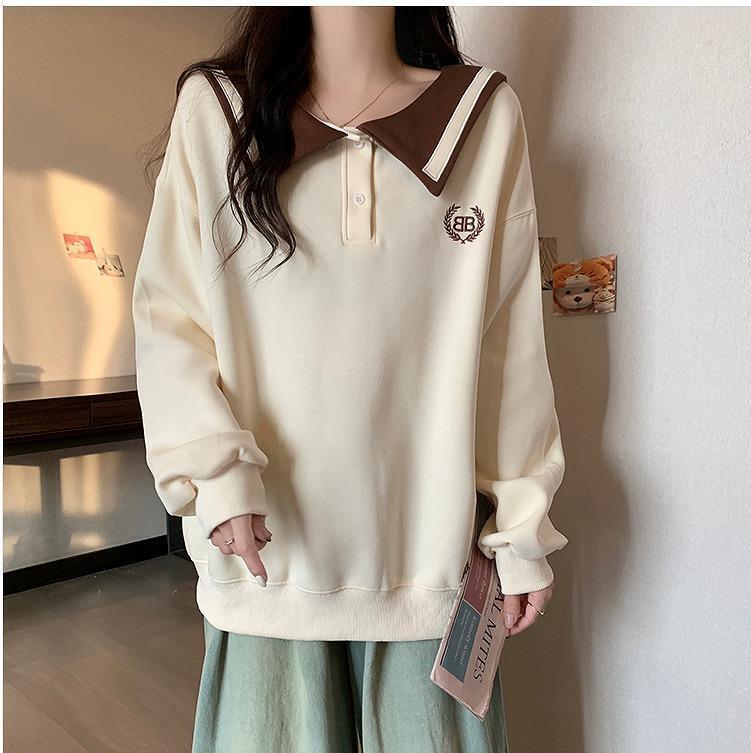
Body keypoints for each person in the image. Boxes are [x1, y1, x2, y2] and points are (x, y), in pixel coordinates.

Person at [132, 6, 568, 752]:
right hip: (268, 563)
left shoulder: (483, 117)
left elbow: (508, 348)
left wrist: (521, 527)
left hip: (427, 564)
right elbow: (170, 317)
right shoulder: (218, 112)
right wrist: (215, 471)